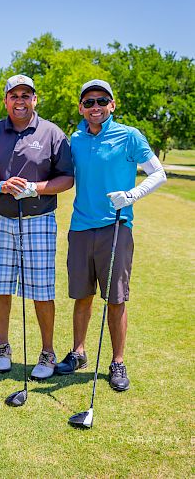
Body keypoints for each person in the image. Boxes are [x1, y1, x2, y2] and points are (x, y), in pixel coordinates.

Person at [56, 79, 167, 391]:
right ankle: (78, 353)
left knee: (115, 299)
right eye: (89, 102)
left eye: (101, 101)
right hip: (80, 228)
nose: (95, 107)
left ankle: (117, 361)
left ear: (112, 105)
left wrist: (132, 195)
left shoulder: (129, 136)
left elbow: (158, 173)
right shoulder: (74, 140)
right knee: (81, 295)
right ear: (81, 107)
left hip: (115, 227)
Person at [0, 74, 74, 380]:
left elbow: (66, 178)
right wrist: (3, 185)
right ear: (6, 100)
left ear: (35, 99)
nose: (20, 101)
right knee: (0, 285)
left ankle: (47, 351)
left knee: (41, 290)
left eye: (26, 95)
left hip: (38, 219)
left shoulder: (52, 133)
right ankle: (3, 346)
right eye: (14, 95)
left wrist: (35, 187)